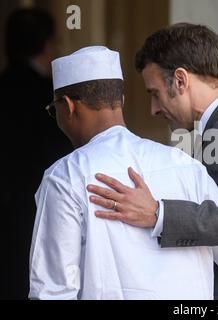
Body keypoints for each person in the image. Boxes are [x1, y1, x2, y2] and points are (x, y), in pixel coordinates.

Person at [29, 46, 218, 300]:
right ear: (122, 100)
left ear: (67, 107)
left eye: (54, 111)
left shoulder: (65, 176)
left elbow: (52, 290)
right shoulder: (184, 165)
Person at [0, 8, 72, 299]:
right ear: (47, 44)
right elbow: (62, 154)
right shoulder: (52, 97)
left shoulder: (3, 86)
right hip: (36, 205)